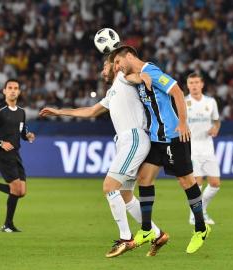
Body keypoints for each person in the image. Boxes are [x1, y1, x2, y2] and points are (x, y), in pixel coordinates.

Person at [39, 58, 165, 257]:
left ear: (115, 66)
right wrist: (59, 111)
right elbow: (90, 111)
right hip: (126, 141)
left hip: (133, 137)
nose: (102, 70)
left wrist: (143, 76)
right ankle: (157, 234)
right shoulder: (112, 92)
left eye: (105, 66)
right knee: (124, 195)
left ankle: (125, 238)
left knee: (109, 187)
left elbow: (138, 75)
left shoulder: (123, 78)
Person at [110, 45, 210, 254]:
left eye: (118, 62)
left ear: (129, 56)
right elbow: (130, 78)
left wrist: (183, 123)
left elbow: (177, 92)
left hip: (174, 136)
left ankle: (201, 228)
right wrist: (131, 76)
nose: (117, 67)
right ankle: (147, 229)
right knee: (144, 179)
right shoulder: (136, 75)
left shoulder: (152, 71)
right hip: (156, 138)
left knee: (186, 181)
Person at [0, 79, 36, 232]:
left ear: (19, 92)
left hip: (15, 154)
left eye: (16, 88)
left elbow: (22, 131)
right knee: (15, 189)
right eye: (9, 88)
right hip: (1, 154)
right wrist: (0, 143)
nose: (13, 91)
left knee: (22, 191)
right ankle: (7, 224)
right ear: (4, 91)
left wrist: (27, 136)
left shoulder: (21, 112)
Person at [186, 73, 221, 225]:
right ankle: (195, 215)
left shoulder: (211, 102)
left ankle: (202, 210)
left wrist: (215, 128)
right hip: (192, 147)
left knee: (215, 184)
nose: (193, 85)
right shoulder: (184, 102)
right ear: (187, 86)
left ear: (202, 84)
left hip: (208, 147)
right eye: (191, 83)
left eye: (196, 82)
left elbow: (216, 121)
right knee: (197, 183)